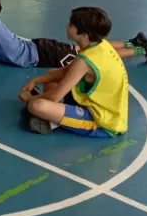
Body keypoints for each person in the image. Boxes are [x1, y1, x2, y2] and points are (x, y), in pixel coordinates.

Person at [0, 0, 147, 70]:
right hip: (40, 46)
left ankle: (144, 50)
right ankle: (132, 42)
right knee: (90, 48)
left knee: (95, 56)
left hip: (42, 55)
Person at [18, 7, 129, 138]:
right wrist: (35, 80)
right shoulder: (100, 44)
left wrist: (29, 99)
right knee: (52, 77)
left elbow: (55, 97)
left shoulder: (85, 61)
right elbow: (65, 71)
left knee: (36, 106)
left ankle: (53, 122)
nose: (67, 26)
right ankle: (54, 115)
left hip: (102, 122)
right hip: (99, 106)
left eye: (71, 25)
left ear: (84, 34)